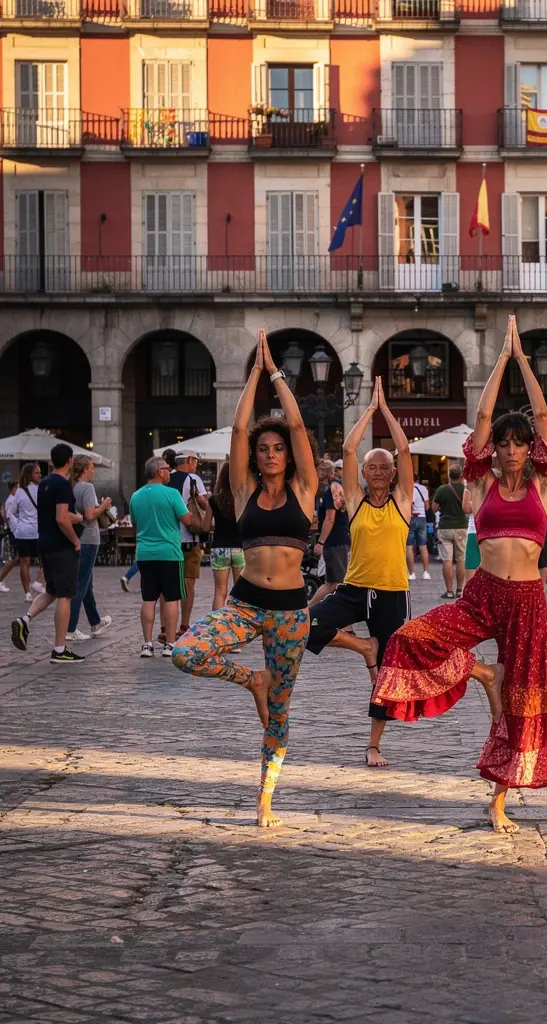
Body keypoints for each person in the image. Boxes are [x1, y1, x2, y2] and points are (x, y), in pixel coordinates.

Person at [374, 315, 547, 833]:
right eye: (503, 443)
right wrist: (499, 359)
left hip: (527, 599)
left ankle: (499, 799)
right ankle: (474, 671)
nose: (508, 449)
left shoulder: (543, 487)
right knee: (411, 636)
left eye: (518, 442)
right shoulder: (477, 485)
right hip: (482, 593)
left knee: (520, 699)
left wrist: (523, 360)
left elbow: (545, 419)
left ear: (529, 449)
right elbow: (481, 417)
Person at [172, 330, 318, 828]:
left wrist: (276, 374)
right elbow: (237, 433)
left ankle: (265, 798)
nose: (271, 453)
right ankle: (251, 680)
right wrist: (251, 376)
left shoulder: (304, 488)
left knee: (279, 713)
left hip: (292, 614)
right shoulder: (243, 488)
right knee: (185, 653)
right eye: (264, 449)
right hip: (245, 605)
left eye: (278, 448)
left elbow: (297, 425)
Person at [303, 378, 413, 767]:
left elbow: (402, 447)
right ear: (364, 474)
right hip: (354, 589)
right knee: (305, 625)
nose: (379, 472)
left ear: (394, 473)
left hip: (392, 593)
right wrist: (368, 410)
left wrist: (387, 411)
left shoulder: (402, 501)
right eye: (373, 468)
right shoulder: (355, 500)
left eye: (385, 468)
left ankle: (373, 745)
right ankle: (363, 647)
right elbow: (348, 449)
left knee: (387, 675)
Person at [10, 444, 85, 664]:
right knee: (66, 595)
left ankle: (25, 619)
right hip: (62, 547)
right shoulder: (62, 484)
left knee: (52, 590)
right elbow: (61, 518)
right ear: (70, 461)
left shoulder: (43, 483)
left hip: (45, 543)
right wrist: (76, 539)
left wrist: (77, 517)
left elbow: (57, 514)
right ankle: (60, 649)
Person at [129, 456, 192, 657]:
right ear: (159, 472)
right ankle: (171, 643)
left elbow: (134, 523)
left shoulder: (136, 496)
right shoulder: (172, 494)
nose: (169, 472)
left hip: (145, 553)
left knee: (148, 599)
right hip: (169, 553)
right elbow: (187, 519)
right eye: (167, 469)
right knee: (172, 598)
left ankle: (147, 644)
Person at [66, 455, 114, 643]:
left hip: (76, 537)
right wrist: (105, 505)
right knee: (81, 582)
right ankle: (70, 627)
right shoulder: (87, 487)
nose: (94, 471)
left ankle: (95, 622)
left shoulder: (71, 487)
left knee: (87, 582)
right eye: (92, 467)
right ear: (85, 469)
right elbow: (90, 514)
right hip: (89, 538)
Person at [169, 450, 210, 638]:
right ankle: (184, 625)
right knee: (188, 583)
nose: (196, 465)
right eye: (195, 461)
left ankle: (165, 628)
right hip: (189, 538)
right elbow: (203, 503)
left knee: (166, 585)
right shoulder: (193, 478)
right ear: (188, 460)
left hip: (168, 539)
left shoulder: (165, 478)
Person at [310, 458, 351, 606]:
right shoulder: (339, 487)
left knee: (334, 582)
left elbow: (329, 519)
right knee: (338, 581)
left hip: (334, 541)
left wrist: (320, 542)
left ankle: (308, 609)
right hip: (342, 538)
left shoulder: (329, 492)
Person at [208, 463, 245, 612]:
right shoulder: (241, 498)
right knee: (240, 591)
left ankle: (217, 626)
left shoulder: (214, 500)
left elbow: (205, 526)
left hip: (220, 547)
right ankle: (239, 625)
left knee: (219, 592)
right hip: (239, 547)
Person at [8, 463, 46, 601]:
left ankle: (28, 593)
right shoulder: (41, 489)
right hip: (37, 531)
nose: (40, 475)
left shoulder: (19, 492)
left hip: (22, 532)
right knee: (45, 559)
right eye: (37, 473)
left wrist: (17, 525)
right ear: (29, 474)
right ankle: (38, 582)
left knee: (26, 562)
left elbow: (9, 512)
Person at [433, 464, 468, 599]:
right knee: (461, 559)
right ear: (461, 476)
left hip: (445, 526)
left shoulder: (442, 489)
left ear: (449, 476)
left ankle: (449, 591)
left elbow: (434, 508)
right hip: (461, 526)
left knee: (447, 560)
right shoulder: (466, 489)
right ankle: (460, 590)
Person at [406, 476, 431, 581]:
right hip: (422, 518)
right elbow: (427, 507)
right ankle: (426, 573)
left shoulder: (407, 488)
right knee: (423, 546)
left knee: (409, 546)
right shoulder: (424, 489)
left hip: (410, 518)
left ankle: (412, 574)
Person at [0, 481, 20, 592]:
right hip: (15, 532)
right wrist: (13, 528)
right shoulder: (11, 501)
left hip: (16, 531)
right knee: (15, 557)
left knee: (19, 557)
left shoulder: (13, 500)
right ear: (12, 488)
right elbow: (8, 517)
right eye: (16, 487)